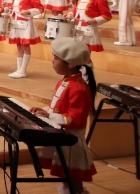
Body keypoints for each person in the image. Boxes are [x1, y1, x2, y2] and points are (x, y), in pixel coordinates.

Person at [30, 37, 97, 194]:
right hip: (61, 135)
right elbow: (58, 108)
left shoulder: (79, 88)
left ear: (71, 64)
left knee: (72, 178)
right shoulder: (65, 81)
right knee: (64, 176)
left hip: (71, 140)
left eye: (55, 58)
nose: (52, 62)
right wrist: (44, 111)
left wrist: (49, 115)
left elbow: (74, 119)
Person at [68, 0, 111, 67]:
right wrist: (70, 14)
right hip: (77, 29)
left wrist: (95, 20)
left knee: (85, 56)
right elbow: (75, 11)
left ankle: (89, 77)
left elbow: (107, 15)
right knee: (77, 55)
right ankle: (80, 75)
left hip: (88, 31)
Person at [7, 0, 44, 78]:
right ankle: (19, 69)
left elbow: (40, 9)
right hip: (17, 22)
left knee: (25, 46)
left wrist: (29, 12)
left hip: (25, 23)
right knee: (19, 45)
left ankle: (23, 70)